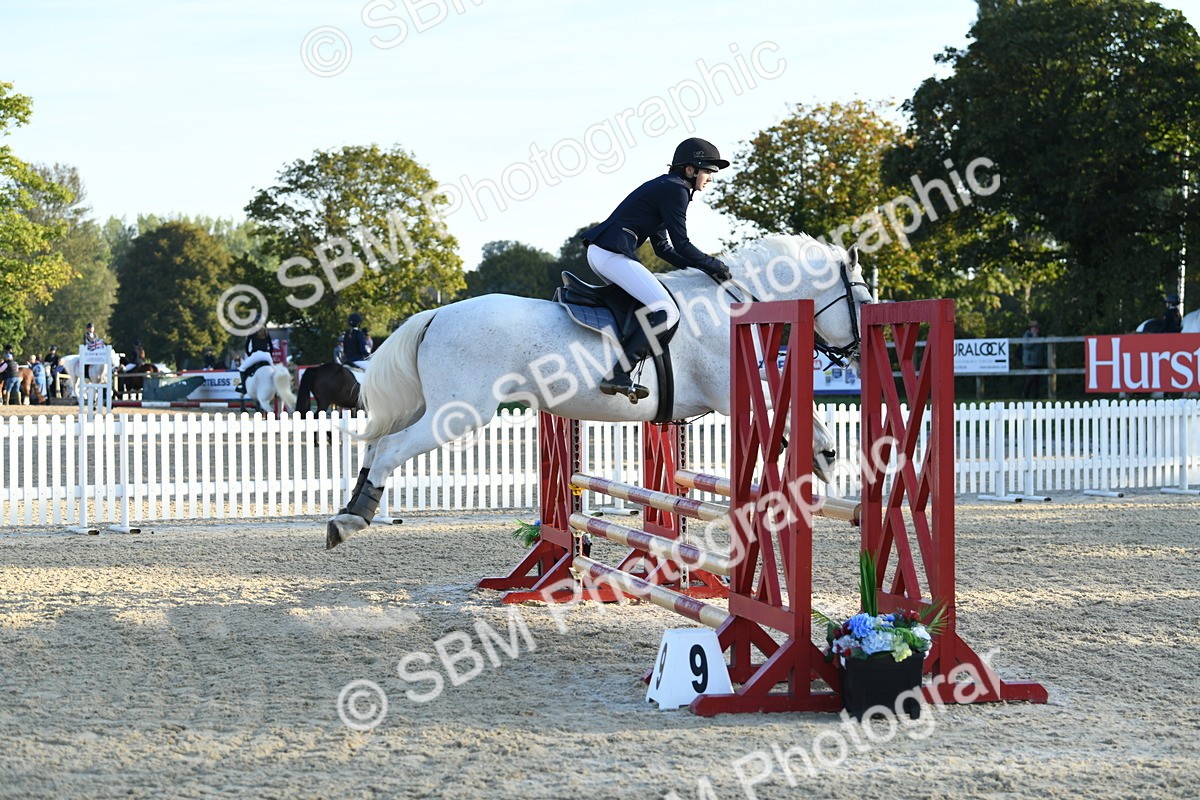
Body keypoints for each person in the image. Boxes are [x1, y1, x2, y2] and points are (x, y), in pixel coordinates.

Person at [581, 137, 733, 399]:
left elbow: (663, 248)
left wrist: (704, 269)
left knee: (653, 303)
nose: (710, 178)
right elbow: (682, 245)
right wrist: (713, 264)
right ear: (690, 170)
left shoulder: (667, 187)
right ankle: (619, 373)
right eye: (708, 171)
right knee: (667, 310)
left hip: (604, 252)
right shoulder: (676, 190)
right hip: (610, 253)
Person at [238, 326, 274, 393]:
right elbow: (271, 346)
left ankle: (244, 388)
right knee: (274, 371)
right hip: (266, 355)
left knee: (242, 368)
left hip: (256, 355)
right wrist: (269, 356)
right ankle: (277, 389)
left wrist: (249, 354)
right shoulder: (266, 332)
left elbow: (246, 346)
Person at [1020, 320, 1048, 399]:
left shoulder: (1040, 336)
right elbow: (1026, 346)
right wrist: (1034, 339)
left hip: (1038, 361)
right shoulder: (1026, 335)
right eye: (1034, 328)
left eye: (1037, 328)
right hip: (1029, 361)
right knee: (1030, 378)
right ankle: (1025, 393)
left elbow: (1042, 348)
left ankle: (1036, 395)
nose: (1035, 329)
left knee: (1037, 380)